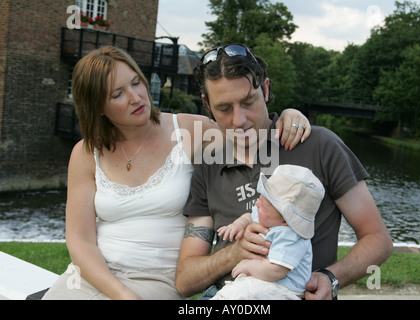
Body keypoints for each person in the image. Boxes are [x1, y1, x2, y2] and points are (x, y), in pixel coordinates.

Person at [42, 46, 311, 300]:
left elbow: (249, 125)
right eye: (118, 94)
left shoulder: (190, 132)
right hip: (93, 277)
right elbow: (80, 240)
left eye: (136, 82)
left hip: (158, 282)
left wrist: (289, 114)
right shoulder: (86, 152)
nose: (136, 97)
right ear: (98, 107)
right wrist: (121, 294)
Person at [175, 44, 393, 300]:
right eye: (224, 108)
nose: (239, 120)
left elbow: (378, 239)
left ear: (265, 89)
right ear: (207, 104)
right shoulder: (209, 167)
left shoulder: (319, 145)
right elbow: (185, 281)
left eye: (248, 102)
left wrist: (330, 277)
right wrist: (234, 254)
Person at [211, 165, 325, 300]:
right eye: (260, 199)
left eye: (263, 205)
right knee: (237, 292)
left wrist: (249, 265)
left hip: (283, 289)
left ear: (286, 220)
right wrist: (238, 225)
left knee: (235, 295)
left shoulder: (290, 237)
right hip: (265, 280)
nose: (257, 204)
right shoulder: (267, 216)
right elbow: (249, 215)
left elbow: (276, 270)